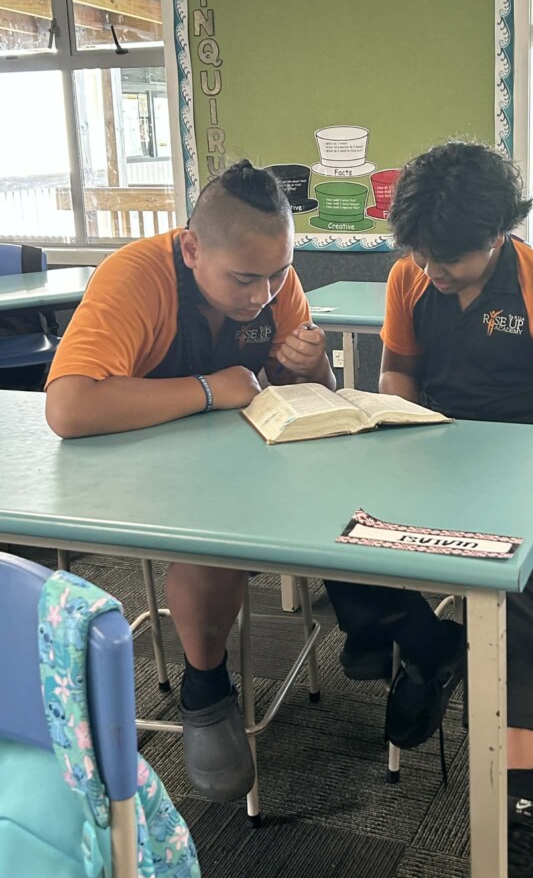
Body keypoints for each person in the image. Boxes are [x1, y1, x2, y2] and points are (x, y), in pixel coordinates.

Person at [324, 141, 533, 878]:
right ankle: (428, 646)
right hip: (439, 454)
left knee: (516, 602)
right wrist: (400, 422)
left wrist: (489, 457)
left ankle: (523, 809)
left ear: (499, 235)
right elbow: (399, 370)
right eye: (420, 255)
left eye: (448, 259)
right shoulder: (410, 279)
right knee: (337, 533)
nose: (432, 271)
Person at [45, 159, 335, 802]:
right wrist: (210, 389)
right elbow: (68, 407)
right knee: (212, 537)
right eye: (244, 279)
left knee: (332, 496)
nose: (264, 295)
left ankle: (379, 626)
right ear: (191, 248)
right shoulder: (135, 276)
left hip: (240, 467)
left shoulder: (272, 276)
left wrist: (314, 368)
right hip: (136, 468)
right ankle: (205, 689)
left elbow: (306, 395)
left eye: (279, 274)